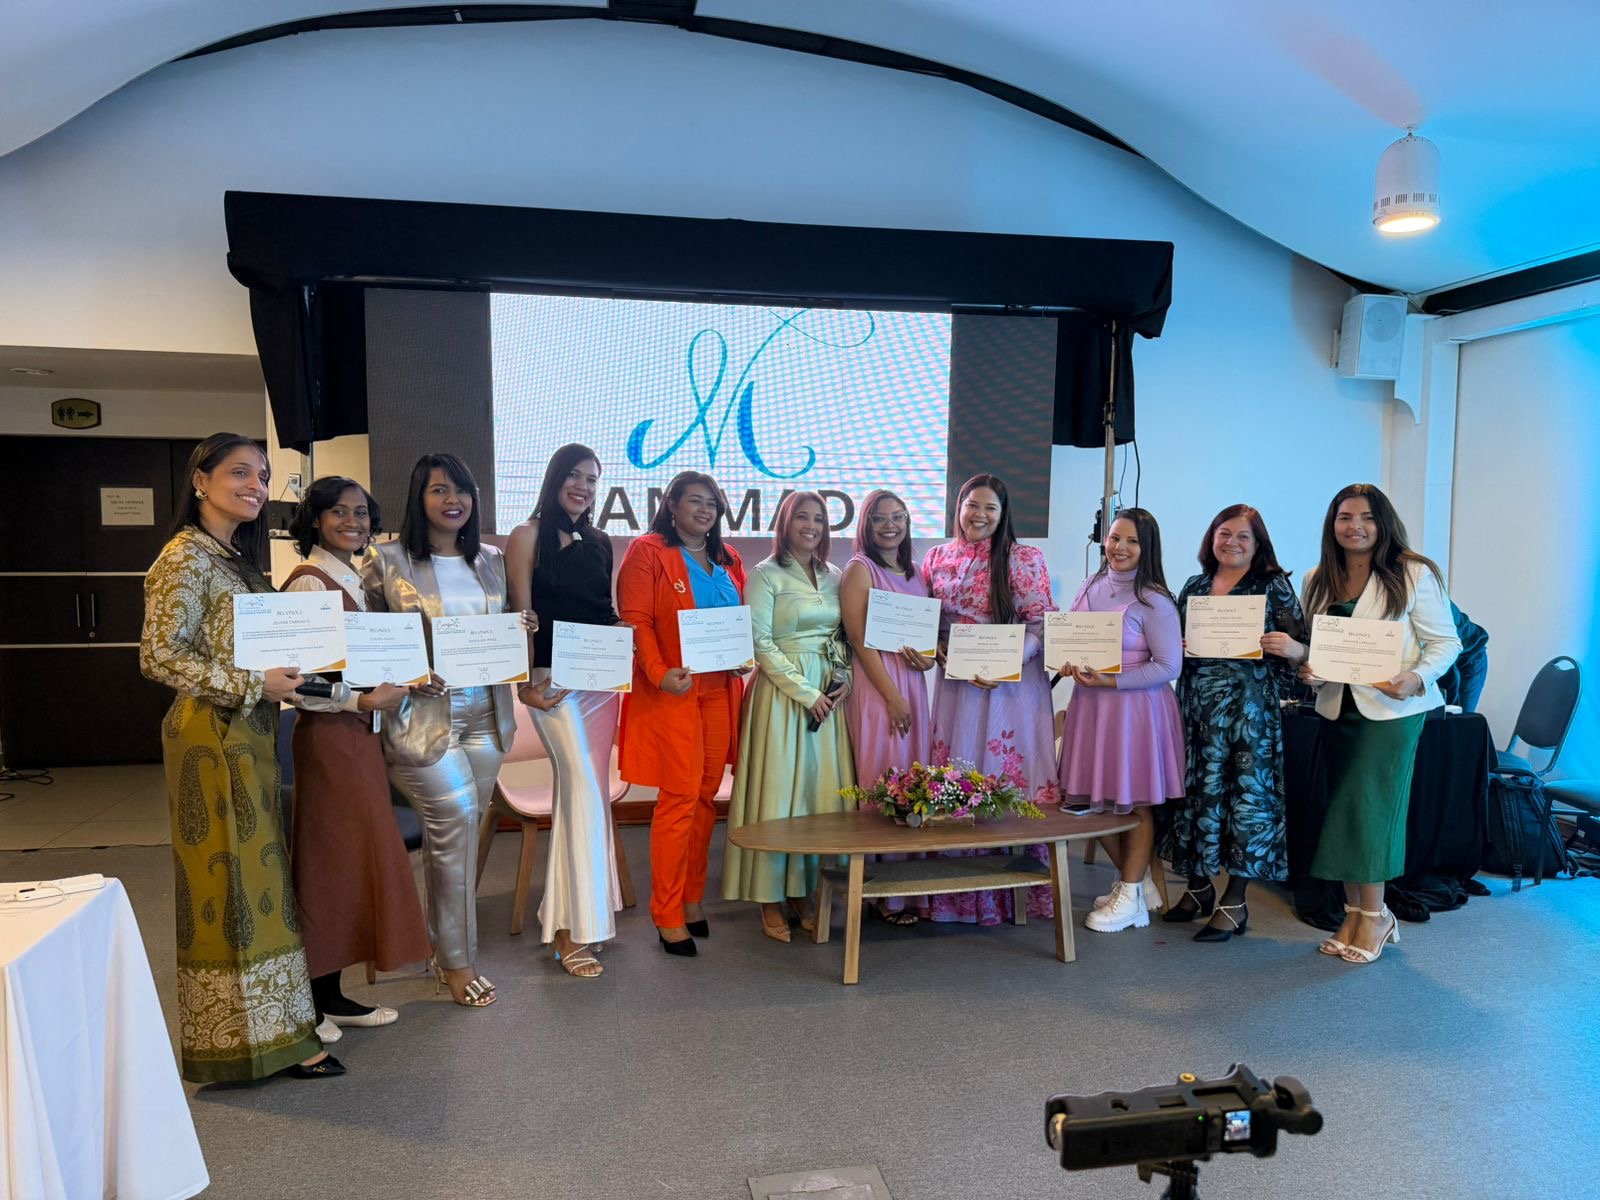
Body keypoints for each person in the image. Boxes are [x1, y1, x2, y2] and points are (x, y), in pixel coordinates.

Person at [139, 433, 341, 1081]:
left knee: (258, 889)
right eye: (240, 472)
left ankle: (276, 1033)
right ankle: (246, 1044)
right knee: (229, 890)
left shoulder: (234, 558)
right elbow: (158, 656)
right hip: (210, 738)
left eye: (263, 474)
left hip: (248, 731)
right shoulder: (184, 556)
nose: (256, 485)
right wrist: (256, 683)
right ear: (200, 480)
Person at [364, 453, 533, 1006]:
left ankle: (442, 947)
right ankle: (458, 962)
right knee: (456, 820)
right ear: (419, 498)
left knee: (457, 836)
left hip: (487, 714)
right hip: (422, 718)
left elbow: (501, 631)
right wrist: (407, 673)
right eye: (439, 490)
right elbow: (366, 642)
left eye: (461, 490)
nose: (452, 500)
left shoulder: (491, 559)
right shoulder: (385, 560)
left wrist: (521, 626)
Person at [1285, 484, 1460, 964]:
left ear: (1383, 522)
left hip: (1391, 714)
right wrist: (1310, 667)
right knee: (1343, 811)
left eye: (1366, 517)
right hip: (1337, 708)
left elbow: (1446, 643)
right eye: (1344, 517)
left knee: (1368, 811)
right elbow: (1322, 648)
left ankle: (1377, 915)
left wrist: (1416, 677)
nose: (1355, 526)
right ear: (1332, 524)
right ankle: (1355, 915)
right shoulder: (1317, 577)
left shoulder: (1414, 572)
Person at [282, 477, 430, 1035]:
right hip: (331, 740)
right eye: (339, 512)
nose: (354, 522)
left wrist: (414, 676)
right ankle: (313, 1002)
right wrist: (362, 701)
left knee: (348, 865)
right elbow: (298, 682)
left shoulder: (354, 580)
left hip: (356, 738)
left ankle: (331, 995)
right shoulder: (309, 583)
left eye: (362, 513)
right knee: (330, 868)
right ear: (315, 519)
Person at [1158, 504, 1306, 943]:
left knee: (1246, 803)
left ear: (1258, 544)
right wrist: (1176, 644)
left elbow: (1302, 651)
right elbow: (1173, 649)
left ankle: (1235, 902)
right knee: (1195, 798)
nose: (1232, 543)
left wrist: (1290, 647)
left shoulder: (1272, 586)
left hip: (1248, 718)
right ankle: (1199, 887)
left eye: (1244, 536)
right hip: (1196, 712)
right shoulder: (1195, 586)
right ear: (1212, 537)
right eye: (1224, 533)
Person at [505, 444, 624, 978]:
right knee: (582, 794)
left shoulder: (600, 541)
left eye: (592, 479)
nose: (583, 486)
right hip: (552, 687)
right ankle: (568, 928)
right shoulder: (526, 535)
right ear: (554, 479)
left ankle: (579, 914)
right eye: (574, 476)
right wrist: (524, 686)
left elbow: (603, 611)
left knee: (589, 796)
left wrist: (625, 632)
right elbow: (520, 616)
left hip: (602, 686)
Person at [617, 471, 749, 956]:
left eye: (712, 503)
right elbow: (636, 620)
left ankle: (693, 899)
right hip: (675, 691)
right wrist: (658, 672)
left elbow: (737, 620)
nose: (705, 510)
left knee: (705, 798)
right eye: (695, 501)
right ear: (671, 505)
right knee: (677, 799)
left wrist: (742, 655)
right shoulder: (647, 551)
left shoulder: (729, 557)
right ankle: (667, 912)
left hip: (720, 691)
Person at [922, 473, 1058, 924]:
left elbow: (1040, 623)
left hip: (1011, 688)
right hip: (957, 688)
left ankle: (1014, 895)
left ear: (1003, 514)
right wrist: (937, 649)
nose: (979, 515)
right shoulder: (936, 557)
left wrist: (1008, 663)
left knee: (1006, 777)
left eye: (990, 508)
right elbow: (930, 625)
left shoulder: (1024, 558)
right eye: (972, 505)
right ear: (958, 506)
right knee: (958, 775)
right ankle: (956, 896)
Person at [722, 492, 855, 941]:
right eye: (802, 516)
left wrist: (842, 679)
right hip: (782, 697)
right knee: (778, 795)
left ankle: (803, 890)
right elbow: (759, 642)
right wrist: (805, 692)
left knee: (817, 797)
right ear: (785, 521)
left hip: (828, 699)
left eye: (819, 518)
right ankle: (769, 897)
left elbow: (842, 636)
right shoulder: (764, 574)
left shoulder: (836, 575)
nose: (811, 525)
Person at [1056, 508, 1185, 934]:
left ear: (1147, 548)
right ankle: (1138, 884)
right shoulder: (1090, 585)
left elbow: (1168, 666)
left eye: (1131, 541)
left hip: (1136, 712)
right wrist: (1066, 662)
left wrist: (1111, 680)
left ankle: (1130, 894)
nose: (1120, 548)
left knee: (1136, 803)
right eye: (1114, 538)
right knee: (1090, 802)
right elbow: (1069, 637)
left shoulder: (1155, 600)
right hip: (1091, 709)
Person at [839, 488, 936, 925]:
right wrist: (893, 697)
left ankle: (909, 890)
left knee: (914, 779)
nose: (890, 525)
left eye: (898, 516)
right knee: (883, 779)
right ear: (866, 523)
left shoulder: (917, 572)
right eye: (880, 518)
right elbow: (859, 641)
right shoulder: (860, 569)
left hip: (913, 685)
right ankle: (880, 894)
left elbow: (925, 639)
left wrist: (928, 660)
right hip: (879, 688)